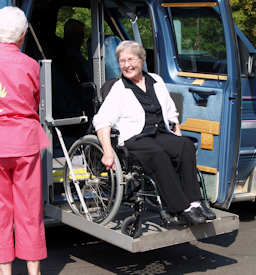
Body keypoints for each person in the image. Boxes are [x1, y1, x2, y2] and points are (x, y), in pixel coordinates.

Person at [93, 40, 216, 225]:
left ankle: (195, 202)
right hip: (134, 137)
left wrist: (178, 136)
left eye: (131, 60)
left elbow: (171, 112)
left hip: (159, 132)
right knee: (157, 154)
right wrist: (108, 152)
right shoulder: (119, 89)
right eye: (122, 61)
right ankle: (180, 209)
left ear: (142, 60)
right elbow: (101, 121)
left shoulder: (156, 80)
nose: (127, 65)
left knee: (185, 146)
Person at [0, 6, 50, 275]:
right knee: (29, 209)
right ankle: (34, 271)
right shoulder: (30, 64)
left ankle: (4, 270)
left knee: (0, 210)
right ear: (21, 35)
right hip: (25, 141)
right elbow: (35, 102)